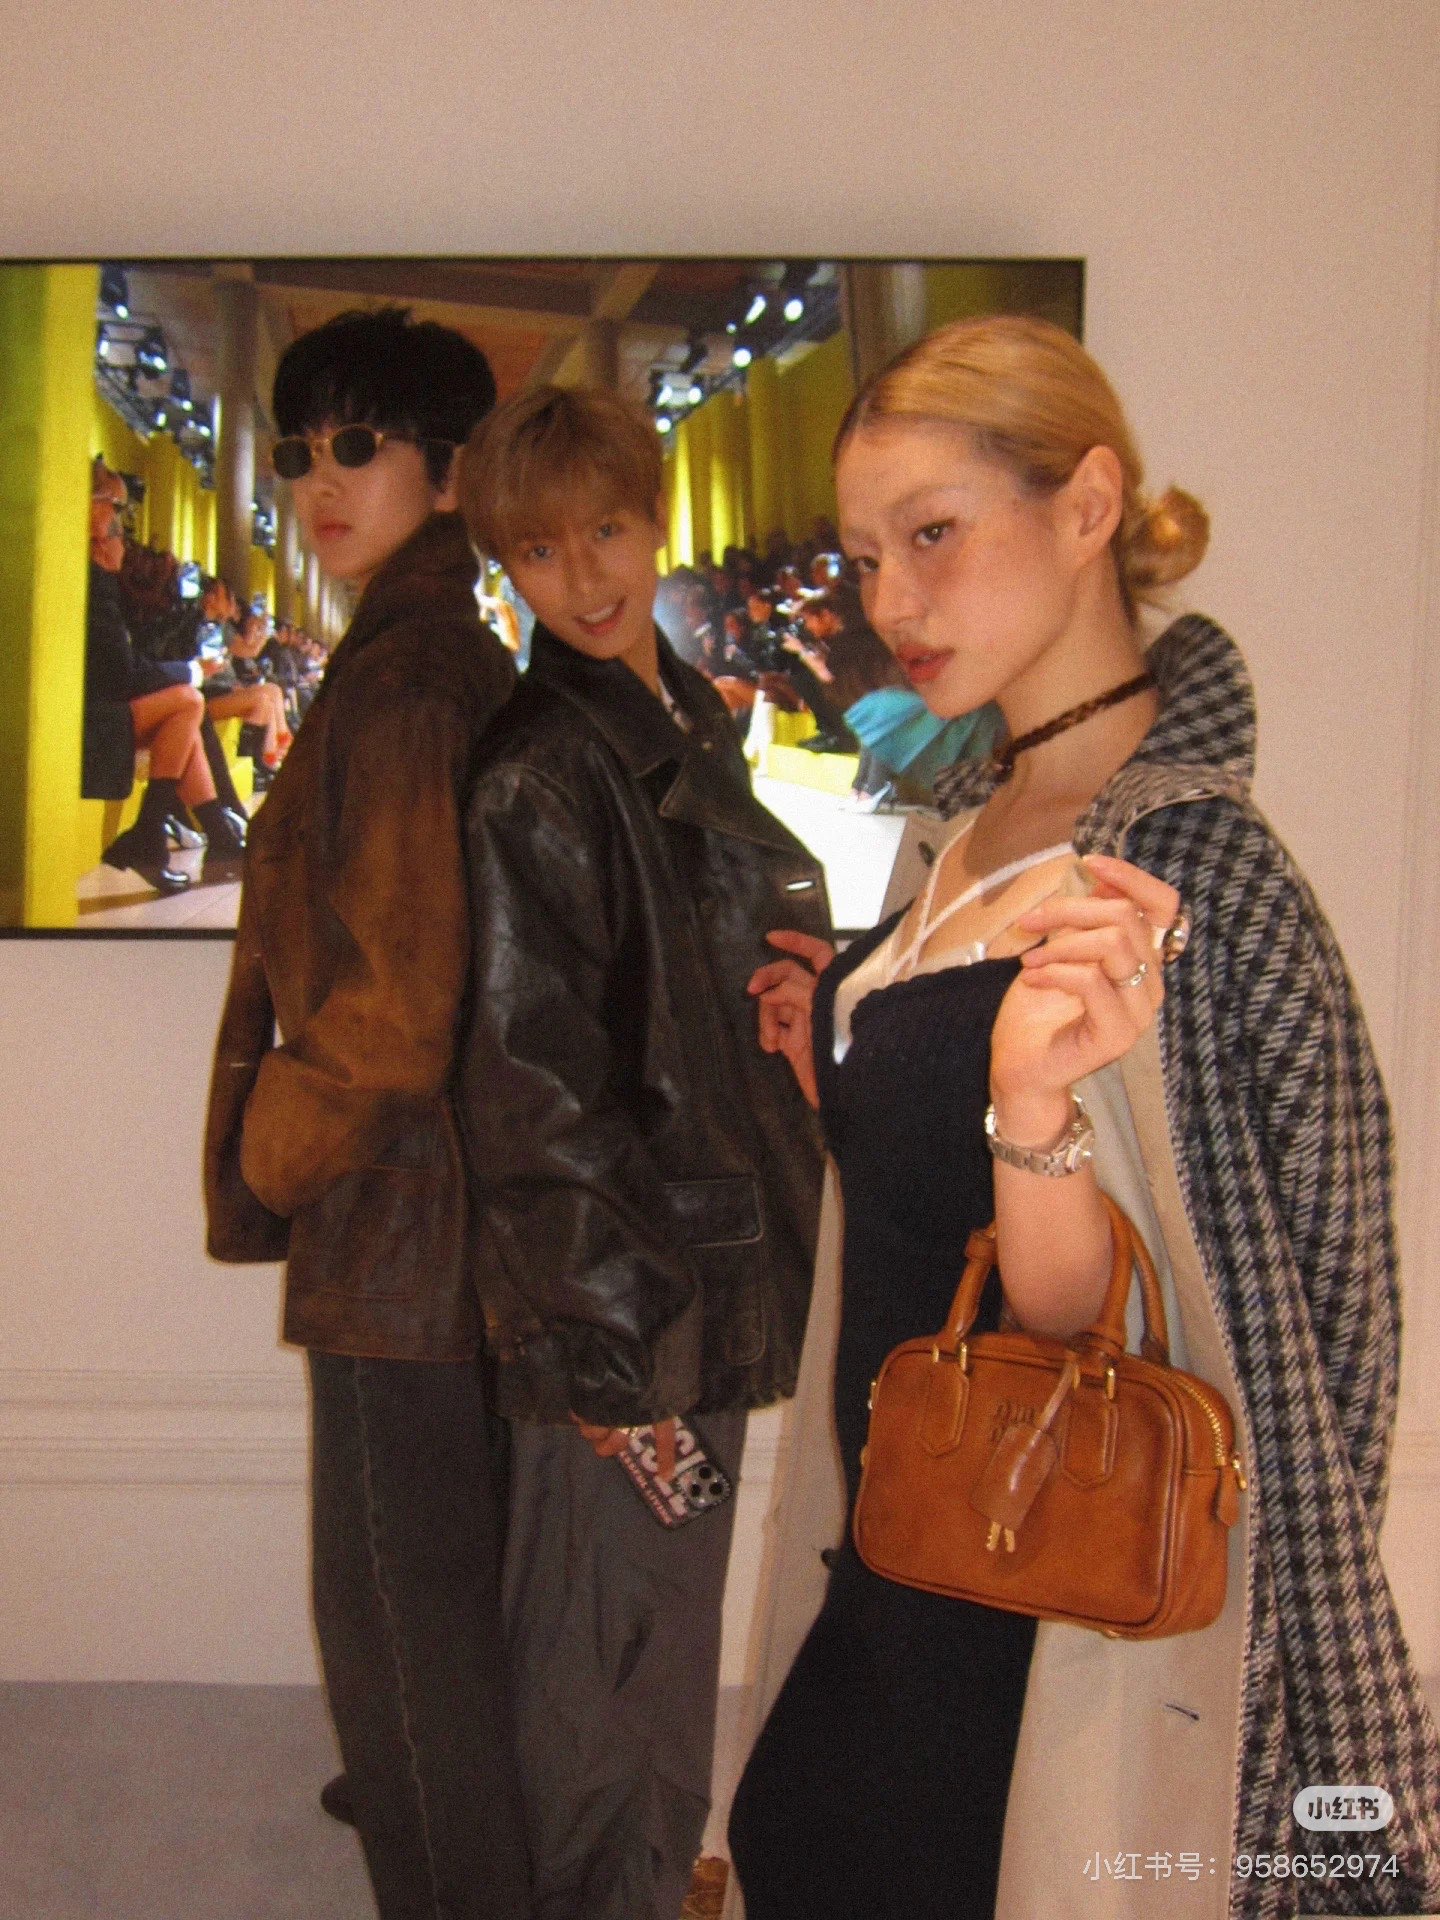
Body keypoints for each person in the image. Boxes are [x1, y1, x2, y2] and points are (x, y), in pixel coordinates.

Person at [728, 315, 1440, 1919]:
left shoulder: (1182, 873)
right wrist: (854, 1062)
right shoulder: (970, 828)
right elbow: (944, 1204)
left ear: (1089, 505)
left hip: (1035, 1593)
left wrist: (1025, 1108)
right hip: (906, 1527)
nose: (890, 603)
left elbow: (1131, 1320)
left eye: (933, 534)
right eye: (865, 557)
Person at [454, 383, 831, 1920]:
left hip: (682, 1260)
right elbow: (529, 1086)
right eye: (540, 553)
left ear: (652, 520)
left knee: (654, 1641)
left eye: (605, 531)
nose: (584, 577)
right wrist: (611, 1353)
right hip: (623, 1299)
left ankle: (653, 1884)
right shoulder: (542, 767)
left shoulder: (671, 714)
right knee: (604, 1663)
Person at [203, 308, 531, 1920]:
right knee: (428, 1608)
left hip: (399, 1218)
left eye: (358, 446)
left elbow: (397, 1004)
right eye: (298, 451)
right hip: (430, 1217)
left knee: (403, 1625)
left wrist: (275, 1151)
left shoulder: (406, 681)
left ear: (449, 474)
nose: (319, 483)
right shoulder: (424, 655)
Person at [84, 461, 245, 891]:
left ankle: (213, 836)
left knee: (186, 711)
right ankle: (162, 831)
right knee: (188, 702)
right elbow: (123, 672)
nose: (123, 528)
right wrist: (190, 671)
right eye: (116, 509)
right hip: (90, 722)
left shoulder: (101, 584)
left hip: (101, 711)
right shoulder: (96, 584)